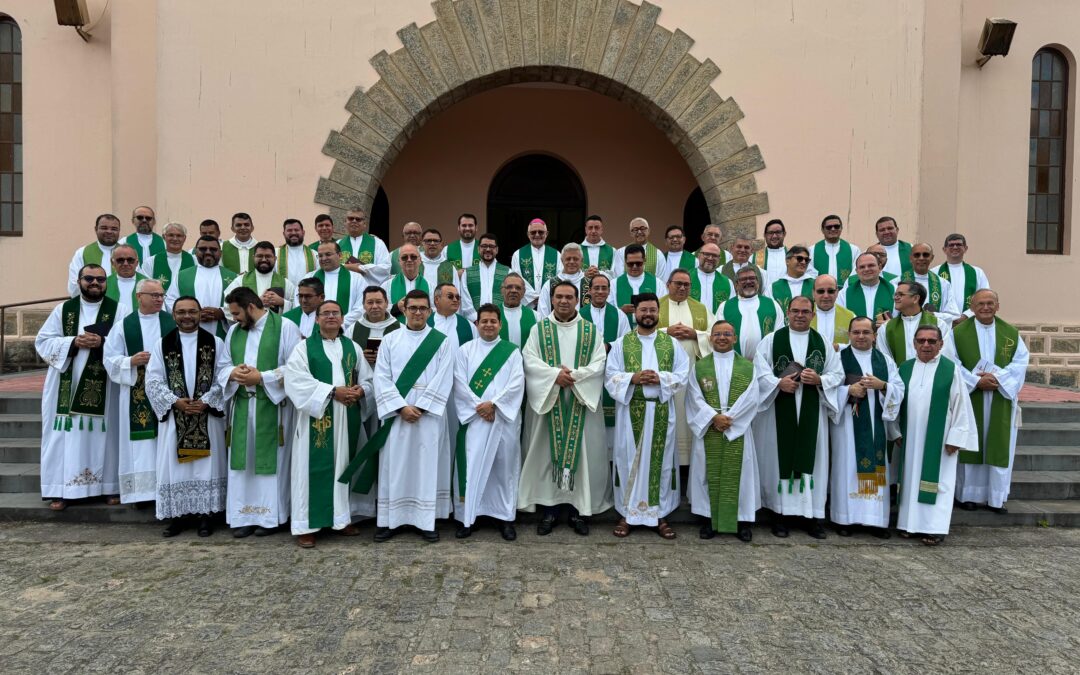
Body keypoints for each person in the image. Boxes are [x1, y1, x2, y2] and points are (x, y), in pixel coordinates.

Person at [355, 289, 455, 543]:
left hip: (428, 416)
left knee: (426, 465)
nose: (418, 313)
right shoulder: (391, 340)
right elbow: (382, 377)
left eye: (423, 308)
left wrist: (420, 407)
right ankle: (390, 520)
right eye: (413, 308)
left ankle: (426, 520)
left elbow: (444, 378)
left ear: (429, 311)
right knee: (395, 465)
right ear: (405, 309)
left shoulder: (441, 341)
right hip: (397, 414)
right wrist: (401, 408)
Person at [519, 281, 612, 535]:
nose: (563, 301)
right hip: (550, 403)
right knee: (546, 455)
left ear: (578, 299)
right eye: (558, 296)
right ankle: (549, 510)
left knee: (583, 457)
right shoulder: (539, 330)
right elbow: (530, 360)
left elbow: (599, 363)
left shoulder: (591, 331)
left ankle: (577, 512)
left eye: (569, 297)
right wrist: (553, 376)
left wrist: (574, 377)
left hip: (580, 402)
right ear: (551, 299)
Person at [36, 264, 130, 511]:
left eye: (100, 279)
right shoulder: (63, 310)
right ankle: (60, 490)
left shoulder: (118, 310)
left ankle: (109, 486)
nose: (95, 283)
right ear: (79, 281)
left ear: (106, 282)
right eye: (89, 278)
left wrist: (103, 342)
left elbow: (128, 343)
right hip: (66, 384)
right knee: (63, 437)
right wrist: (73, 341)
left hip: (105, 386)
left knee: (107, 436)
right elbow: (43, 341)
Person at [283, 300, 375, 548]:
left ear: (343, 318)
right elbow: (295, 381)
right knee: (311, 470)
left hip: (347, 417)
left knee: (343, 467)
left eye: (336, 313)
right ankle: (308, 525)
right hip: (318, 416)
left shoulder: (352, 347)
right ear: (317, 319)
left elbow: (368, 378)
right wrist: (334, 392)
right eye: (325, 313)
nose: (331, 317)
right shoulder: (304, 348)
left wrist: (361, 391)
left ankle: (341, 519)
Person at [753, 296, 843, 539]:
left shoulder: (822, 342)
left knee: (814, 462)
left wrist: (820, 380)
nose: (800, 315)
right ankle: (779, 515)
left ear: (812, 314)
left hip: (812, 414)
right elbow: (759, 372)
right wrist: (777, 383)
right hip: (779, 411)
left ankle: (812, 517)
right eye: (795, 311)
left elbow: (838, 374)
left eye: (805, 311)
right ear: (787, 313)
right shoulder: (772, 341)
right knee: (777, 459)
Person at [145, 296, 232, 537]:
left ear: (200, 313)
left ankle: (206, 516)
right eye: (181, 312)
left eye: (192, 312)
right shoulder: (162, 344)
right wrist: (175, 402)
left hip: (207, 416)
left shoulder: (215, 342)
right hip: (176, 415)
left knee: (207, 467)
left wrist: (206, 401)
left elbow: (224, 375)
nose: (186, 316)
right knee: (175, 465)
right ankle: (178, 516)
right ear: (173, 315)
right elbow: (152, 380)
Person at [220, 287, 302, 538]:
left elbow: (296, 367)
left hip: (273, 407)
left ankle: (271, 517)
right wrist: (234, 374)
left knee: (271, 464)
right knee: (243, 464)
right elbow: (222, 366)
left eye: (237, 313)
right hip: (242, 405)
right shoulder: (234, 332)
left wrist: (262, 377)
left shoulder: (285, 327)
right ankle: (245, 515)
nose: (234, 319)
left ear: (251, 307)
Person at [606, 293, 689, 539]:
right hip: (631, 409)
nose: (648, 314)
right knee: (628, 459)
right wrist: (633, 378)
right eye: (643, 310)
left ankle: (659, 515)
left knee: (660, 463)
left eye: (653, 310)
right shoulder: (622, 343)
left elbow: (683, 374)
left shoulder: (670, 343)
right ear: (635, 313)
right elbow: (610, 375)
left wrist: (660, 378)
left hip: (661, 410)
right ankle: (627, 514)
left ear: (658, 312)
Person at [891, 325, 978, 545]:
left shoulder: (950, 369)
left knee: (939, 484)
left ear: (940, 344)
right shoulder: (905, 368)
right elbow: (895, 403)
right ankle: (909, 525)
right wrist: (895, 431)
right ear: (914, 343)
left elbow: (961, 405)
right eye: (921, 341)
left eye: (931, 341)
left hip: (940, 441)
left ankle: (934, 528)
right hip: (910, 438)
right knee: (910, 480)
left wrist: (955, 438)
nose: (926, 345)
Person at [452, 303, 525, 540]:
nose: (489, 325)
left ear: (500, 324)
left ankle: (504, 518)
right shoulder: (465, 351)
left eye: (493, 321)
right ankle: (469, 517)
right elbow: (459, 384)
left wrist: (494, 404)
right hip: (475, 420)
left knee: (503, 469)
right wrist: (480, 407)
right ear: (476, 324)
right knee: (472, 467)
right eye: (484, 321)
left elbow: (516, 384)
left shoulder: (512, 351)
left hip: (503, 420)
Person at [953, 290, 1029, 514]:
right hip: (971, 396)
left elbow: (1020, 363)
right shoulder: (958, 333)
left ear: (998, 306)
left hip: (1000, 396)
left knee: (999, 446)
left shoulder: (1011, 333)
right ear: (972, 307)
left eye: (990, 303)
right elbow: (952, 361)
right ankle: (966, 495)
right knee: (970, 444)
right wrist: (975, 381)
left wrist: (997, 379)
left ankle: (996, 498)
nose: (985, 307)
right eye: (980, 304)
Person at [828, 317, 904, 537]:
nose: (861, 337)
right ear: (849, 334)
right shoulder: (838, 359)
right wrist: (847, 391)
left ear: (874, 335)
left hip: (876, 425)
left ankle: (876, 521)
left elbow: (899, 389)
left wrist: (883, 387)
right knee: (847, 467)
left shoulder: (885, 361)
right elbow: (827, 389)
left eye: (865, 332)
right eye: (856, 332)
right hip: (846, 425)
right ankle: (844, 519)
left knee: (876, 470)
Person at [685, 320, 760, 542]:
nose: (722, 338)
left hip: (738, 429)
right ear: (710, 338)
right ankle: (709, 519)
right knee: (707, 473)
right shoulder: (700, 366)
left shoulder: (748, 367)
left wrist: (730, 420)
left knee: (741, 475)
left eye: (727, 334)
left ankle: (741, 521)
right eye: (717, 334)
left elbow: (752, 397)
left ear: (734, 338)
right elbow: (693, 397)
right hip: (710, 428)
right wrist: (713, 418)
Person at [103, 279, 174, 506]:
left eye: (161, 295)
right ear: (138, 297)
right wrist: (130, 361)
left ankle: (167, 486)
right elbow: (109, 358)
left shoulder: (172, 322)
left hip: (167, 390)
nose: (159, 299)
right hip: (137, 390)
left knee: (165, 438)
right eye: (153, 295)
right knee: (142, 444)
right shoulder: (124, 326)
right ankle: (143, 493)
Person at [658, 269, 713, 476]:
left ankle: (688, 472)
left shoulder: (700, 309)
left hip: (693, 376)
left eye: (686, 285)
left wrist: (694, 334)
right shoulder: (657, 306)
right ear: (668, 284)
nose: (682, 288)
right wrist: (666, 332)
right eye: (678, 283)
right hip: (664, 379)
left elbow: (715, 336)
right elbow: (642, 332)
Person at [582, 273, 631, 452]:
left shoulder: (619, 316)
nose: (600, 291)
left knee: (612, 427)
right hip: (588, 373)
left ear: (609, 291)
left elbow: (627, 341)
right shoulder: (579, 315)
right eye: (597, 288)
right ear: (589, 291)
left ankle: (611, 461)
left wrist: (609, 345)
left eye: (604, 288)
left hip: (612, 372)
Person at [165, 235, 238, 339]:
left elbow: (240, 304)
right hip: (188, 332)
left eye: (213, 249)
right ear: (195, 252)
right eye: (203, 249)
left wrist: (222, 312)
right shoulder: (182, 276)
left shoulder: (232, 277)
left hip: (223, 335)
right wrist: (190, 313)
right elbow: (170, 301)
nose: (208, 252)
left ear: (220, 253)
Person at [876, 281, 954, 365]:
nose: (896, 298)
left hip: (931, 375)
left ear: (915, 298)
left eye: (901, 294)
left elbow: (946, 355)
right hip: (899, 376)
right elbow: (884, 359)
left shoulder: (939, 324)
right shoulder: (886, 327)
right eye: (895, 295)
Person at [719, 267, 784, 359]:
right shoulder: (725, 307)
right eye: (744, 279)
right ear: (736, 285)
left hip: (766, 363)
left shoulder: (772, 304)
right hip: (735, 364)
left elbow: (779, 335)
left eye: (752, 278)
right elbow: (719, 335)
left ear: (758, 282)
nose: (749, 281)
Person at [301, 241, 366, 327]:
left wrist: (340, 322)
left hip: (345, 329)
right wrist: (319, 322)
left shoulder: (357, 279)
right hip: (315, 328)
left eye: (328, 254)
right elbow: (301, 304)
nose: (324, 258)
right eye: (320, 256)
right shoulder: (309, 278)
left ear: (339, 255)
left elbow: (361, 307)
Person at [224, 241, 297, 314]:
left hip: (277, 325)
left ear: (275, 258)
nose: (264, 259)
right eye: (260, 256)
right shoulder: (240, 281)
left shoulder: (286, 283)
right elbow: (228, 306)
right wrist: (257, 302)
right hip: (250, 325)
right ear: (253, 258)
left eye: (268, 256)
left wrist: (282, 302)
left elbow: (297, 308)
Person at [936, 233, 991, 321]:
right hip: (942, 322)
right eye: (951, 245)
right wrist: (948, 318)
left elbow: (984, 297)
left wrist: (966, 315)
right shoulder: (934, 272)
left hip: (969, 321)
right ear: (944, 249)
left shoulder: (977, 272)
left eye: (959, 244)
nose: (955, 247)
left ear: (965, 248)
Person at [904, 243, 961, 323]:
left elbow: (954, 314)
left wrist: (934, 315)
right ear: (911, 258)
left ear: (932, 258)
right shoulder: (897, 282)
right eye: (917, 255)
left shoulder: (943, 284)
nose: (921, 258)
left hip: (932, 332)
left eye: (925, 255)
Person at [511, 218, 562, 305]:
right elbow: (517, 278)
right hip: (528, 303)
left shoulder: (556, 254)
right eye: (533, 232)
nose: (537, 235)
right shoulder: (518, 254)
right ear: (528, 234)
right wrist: (533, 297)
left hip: (549, 302)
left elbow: (560, 277)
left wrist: (545, 296)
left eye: (541, 232)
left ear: (547, 234)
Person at [67, 214, 121, 295]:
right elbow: (74, 285)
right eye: (104, 228)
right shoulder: (82, 252)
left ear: (119, 231)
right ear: (96, 229)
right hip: (91, 303)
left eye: (114, 229)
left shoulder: (129, 253)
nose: (109, 231)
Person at [348, 287, 401, 370]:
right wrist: (361, 357)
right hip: (361, 381)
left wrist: (384, 357)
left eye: (379, 302)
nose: (374, 306)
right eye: (370, 302)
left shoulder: (400, 329)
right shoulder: (353, 329)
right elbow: (345, 356)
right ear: (363, 305)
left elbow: (406, 356)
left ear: (386, 303)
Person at [837, 252, 895, 326]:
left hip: (885, 336)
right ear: (856, 271)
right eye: (862, 267)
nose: (866, 269)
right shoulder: (844, 294)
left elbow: (902, 317)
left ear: (880, 267)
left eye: (871, 265)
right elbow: (841, 320)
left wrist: (890, 325)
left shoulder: (895, 291)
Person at [613, 244, 667, 324]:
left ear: (644, 260)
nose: (634, 267)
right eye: (630, 264)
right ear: (625, 261)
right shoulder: (614, 284)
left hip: (649, 330)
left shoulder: (658, 283)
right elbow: (608, 312)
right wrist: (621, 311)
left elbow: (663, 309)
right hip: (624, 330)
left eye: (638, 263)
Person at [338, 207, 391, 286]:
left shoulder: (377, 243)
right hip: (344, 288)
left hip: (368, 291)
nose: (354, 221)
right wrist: (347, 267)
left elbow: (385, 268)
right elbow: (332, 267)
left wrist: (361, 268)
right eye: (350, 218)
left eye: (358, 219)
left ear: (365, 224)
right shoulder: (338, 244)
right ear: (345, 222)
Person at [141, 222, 195, 292]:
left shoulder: (194, 260)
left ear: (184, 238)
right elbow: (145, 287)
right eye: (171, 235)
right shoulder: (151, 262)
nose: (175, 239)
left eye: (179, 236)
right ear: (164, 237)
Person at [536, 244, 587, 317]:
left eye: (575, 259)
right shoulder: (550, 284)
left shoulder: (590, 284)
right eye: (568, 259)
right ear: (562, 260)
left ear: (581, 261)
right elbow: (542, 312)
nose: (572, 262)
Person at [811, 215, 861, 287]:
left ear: (841, 228)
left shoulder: (853, 250)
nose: (833, 229)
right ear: (822, 230)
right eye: (829, 227)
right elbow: (811, 274)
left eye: (836, 226)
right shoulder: (812, 250)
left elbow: (856, 272)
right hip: (821, 293)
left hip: (845, 292)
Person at [382, 244, 432, 315]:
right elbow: (380, 310)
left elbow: (434, 311)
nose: (409, 260)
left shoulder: (430, 286)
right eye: (404, 257)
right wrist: (396, 307)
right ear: (399, 261)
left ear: (420, 260)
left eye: (413, 257)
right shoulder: (386, 286)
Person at [462, 233, 509, 310]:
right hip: (474, 320)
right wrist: (475, 318)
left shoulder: (508, 272)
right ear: (478, 249)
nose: (488, 249)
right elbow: (465, 300)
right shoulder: (467, 273)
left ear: (497, 250)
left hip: (500, 319)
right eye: (484, 246)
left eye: (491, 246)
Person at [810, 275, 855, 350]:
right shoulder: (802, 315)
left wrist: (839, 347)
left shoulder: (851, 317)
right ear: (813, 293)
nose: (826, 296)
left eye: (830, 291)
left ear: (837, 292)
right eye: (821, 291)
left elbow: (857, 346)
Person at [429, 283, 476, 350]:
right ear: (437, 299)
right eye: (450, 296)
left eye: (457, 297)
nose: (455, 300)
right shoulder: (426, 324)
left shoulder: (469, 326)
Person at [770, 246, 815, 314]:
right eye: (799, 258)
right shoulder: (773, 288)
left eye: (806, 260)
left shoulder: (816, 285)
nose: (803, 262)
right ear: (787, 261)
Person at [691, 243, 734, 314]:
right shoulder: (686, 278)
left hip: (717, 323)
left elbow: (731, 308)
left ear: (719, 259)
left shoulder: (728, 282)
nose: (710, 258)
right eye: (706, 254)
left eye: (714, 256)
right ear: (699, 256)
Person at [105, 244, 149, 313]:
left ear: (137, 262)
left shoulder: (149, 284)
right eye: (120, 260)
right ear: (112, 263)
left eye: (130, 260)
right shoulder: (104, 284)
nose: (125, 264)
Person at [499, 273, 538, 349]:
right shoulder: (492, 315)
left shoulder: (536, 316)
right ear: (502, 290)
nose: (513, 290)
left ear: (524, 292)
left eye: (518, 288)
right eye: (509, 287)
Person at [277, 218, 317, 287]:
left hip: (307, 296)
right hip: (282, 296)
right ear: (284, 234)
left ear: (303, 232)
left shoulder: (314, 255)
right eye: (289, 230)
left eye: (296, 230)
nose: (293, 233)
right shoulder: (275, 253)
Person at [753, 219, 788, 286]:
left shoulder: (793, 255)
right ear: (765, 235)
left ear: (784, 234)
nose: (774, 236)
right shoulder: (754, 258)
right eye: (771, 233)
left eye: (778, 232)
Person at [580, 214, 616, 280]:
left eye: (596, 227)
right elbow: (571, 274)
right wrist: (584, 274)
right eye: (590, 228)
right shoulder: (577, 250)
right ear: (585, 230)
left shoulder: (612, 251)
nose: (593, 231)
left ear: (601, 229)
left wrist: (599, 273)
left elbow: (615, 275)